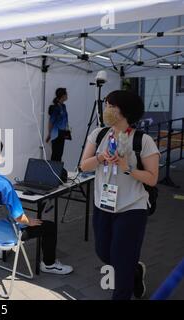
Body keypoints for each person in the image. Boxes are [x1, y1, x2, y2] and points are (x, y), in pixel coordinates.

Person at [80, 90, 160, 300]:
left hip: (132, 207)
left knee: (122, 259)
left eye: (109, 105)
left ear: (122, 110)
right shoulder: (98, 134)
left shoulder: (143, 140)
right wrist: (100, 158)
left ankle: (124, 286)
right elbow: (83, 166)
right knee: (103, 251)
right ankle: (135, 271)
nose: (106, 109)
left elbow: (152, 178)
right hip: (102, 204)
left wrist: (127, 168)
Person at [0, 135, 73, 275]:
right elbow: (19, 218)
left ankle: (2, 252)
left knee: (2, 214)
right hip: (8, 237)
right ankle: (49, 265)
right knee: (49, 226)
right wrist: (29, 221)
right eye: (0, 153)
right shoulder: (2, 184)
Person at [46, 88, 70, 162]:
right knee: (55, 154)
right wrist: (49, 134)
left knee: (60, 154)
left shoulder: (63, 106)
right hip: (56, 133)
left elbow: (65, 120)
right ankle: (53, 170)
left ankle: (58, 171)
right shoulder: (55, 108)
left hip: (62, 133)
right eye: (66, 94)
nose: (67, 95)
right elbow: (51, 122)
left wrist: (67, 130)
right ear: (62, 96)